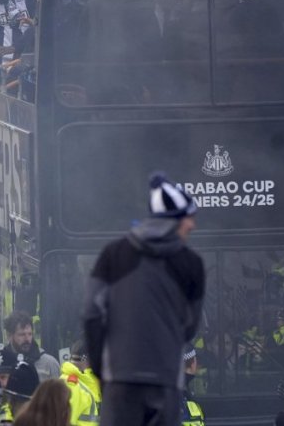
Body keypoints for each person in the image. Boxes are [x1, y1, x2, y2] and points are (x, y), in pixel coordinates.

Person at [83, 172, 205, 426]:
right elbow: (189, 326)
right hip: (166, 383)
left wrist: (103, 372)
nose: (192, 225)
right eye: (188, 218)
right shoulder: (191, 264)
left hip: (121, 384)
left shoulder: (113, 255)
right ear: (172, 221)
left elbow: (92, 317)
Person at [0, 311, 61, 382]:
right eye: (22, 334)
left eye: (30, 334)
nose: (27, 339)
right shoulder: (0, 363)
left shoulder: (49, 364)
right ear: (9, 336)